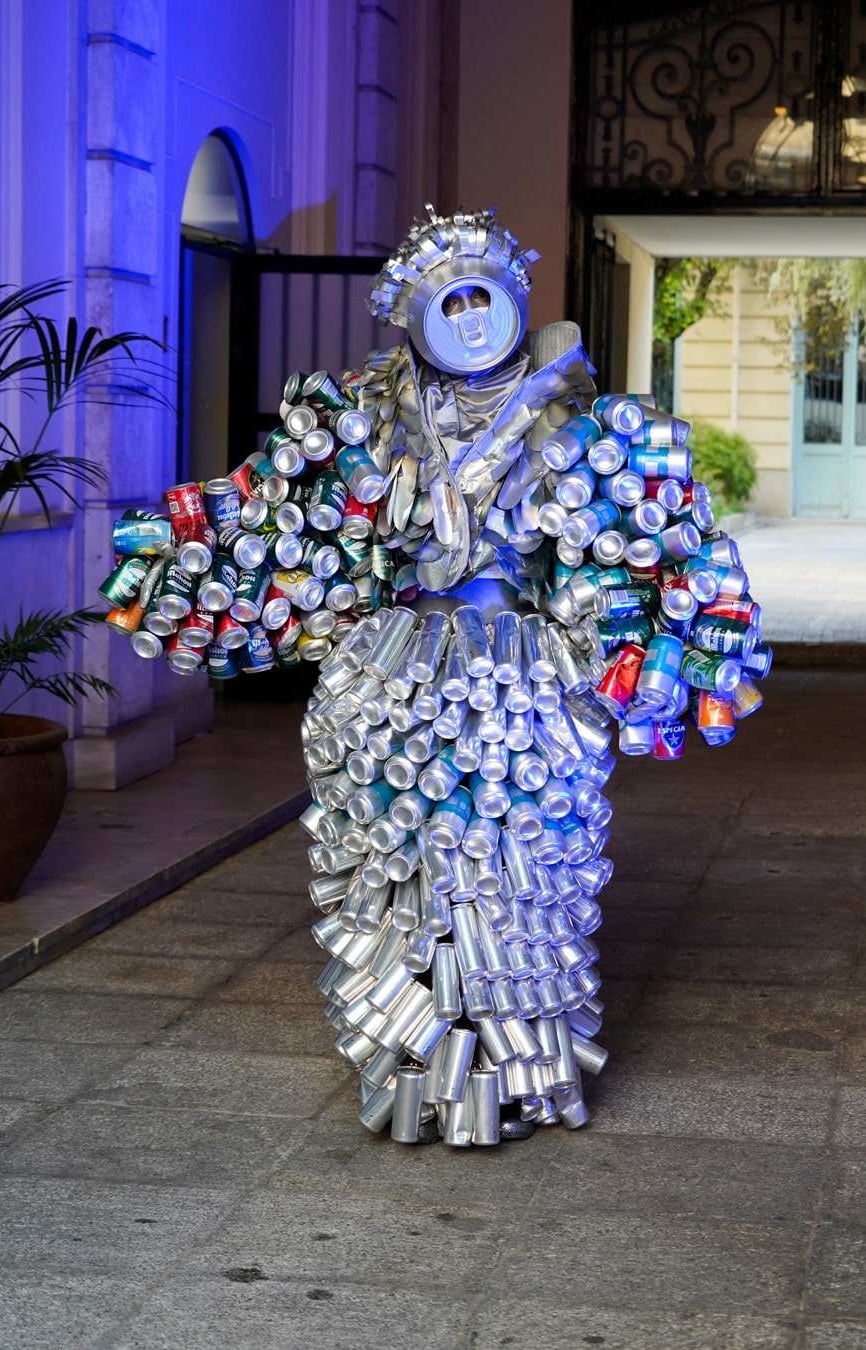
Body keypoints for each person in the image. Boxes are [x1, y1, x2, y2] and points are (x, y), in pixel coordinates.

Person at [102, 205, 768, 1148]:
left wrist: (647, 636)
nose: (466, 318)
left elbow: (655, 555)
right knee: (396, 876)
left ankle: (518, 1077)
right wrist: (184, 552)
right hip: (392, 677)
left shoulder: (584, 426)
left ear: (513, 302)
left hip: (528, 688)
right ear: (412, 316)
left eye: (482, 296)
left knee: (518, 879)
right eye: (445, 301)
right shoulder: (360, 422)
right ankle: (408, 1064)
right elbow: (282, 525)